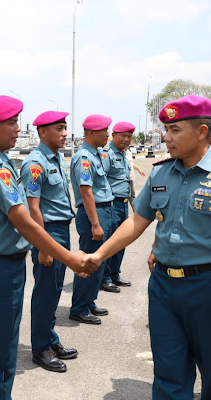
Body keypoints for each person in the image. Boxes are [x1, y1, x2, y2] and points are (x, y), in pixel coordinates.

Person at [0, 95, 97, 399]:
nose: (16, 128)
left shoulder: (1, 161)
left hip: (7, 265)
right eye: (11, 123)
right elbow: (25, 221)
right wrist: (70, 258)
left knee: (5, 354)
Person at [85, 95, 211, 399]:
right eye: (165, 130)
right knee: (169, 373)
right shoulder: (161, 172)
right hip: (165, 288)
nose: (166, 138)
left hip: (205, 286)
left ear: (202, 131)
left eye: (175, 130)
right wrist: (98, 255)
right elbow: (137, 221)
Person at [21, 111, 77, 373]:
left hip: (61, 230)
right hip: (48, 232)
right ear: (43, 132)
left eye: (65, 128)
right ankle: (40, 348)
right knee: (45, 290)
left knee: (54, 288)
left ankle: (50, 338)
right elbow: (33, 209)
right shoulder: (35, 163)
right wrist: (43, 247)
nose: (65, 133)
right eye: (60, 128)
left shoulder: (56, 158)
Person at [69, 114, 114, 325]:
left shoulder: (95, 155)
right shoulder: (84, 158)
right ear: (91, 133)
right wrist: (95, 223)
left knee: (99, 261)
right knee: (88, 262)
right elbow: (86, 191)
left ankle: (89, 301)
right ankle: (79, 308)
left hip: (104, 210)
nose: (108, 134)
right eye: (104, 130)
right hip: (93, 214)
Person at [100, 121, 134, 290]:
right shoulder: (108, 154)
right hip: (112, 204)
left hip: (123, 204)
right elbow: (101, 179)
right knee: (111, 241)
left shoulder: (123, 153)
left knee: (121, 241)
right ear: (113, 136)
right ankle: (104, 278)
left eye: (129, 136)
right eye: (123, 136)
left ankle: (115, 274)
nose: (127, 139)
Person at [126, 147, 145, 213]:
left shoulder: (128, 152)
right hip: (123, 179)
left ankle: (136, 213)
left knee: (132, 196)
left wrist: (138, 169)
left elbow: (131, 163)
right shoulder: (119, 152)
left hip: (130, 178)